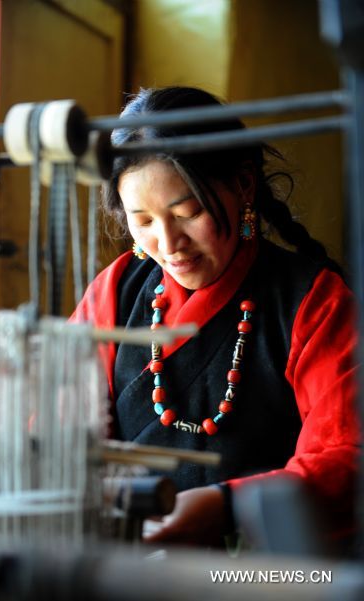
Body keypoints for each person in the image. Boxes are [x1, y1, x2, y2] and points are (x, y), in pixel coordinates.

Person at [71, 86, 360, 549]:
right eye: (143, 220)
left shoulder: (315, 302)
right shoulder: (116, 289)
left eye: (189, 212)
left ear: (243, 186)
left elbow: (347, 456)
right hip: (128, 559)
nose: (168, 244)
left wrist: (230, 506)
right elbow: (61, 411)